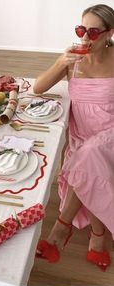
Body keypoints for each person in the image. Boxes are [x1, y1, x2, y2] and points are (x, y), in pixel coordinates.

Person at [33, 4, 114, 271]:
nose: (84, 38)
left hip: (111, 134)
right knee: (87, 159)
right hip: (82, 136)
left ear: (109, 33)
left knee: (88, 159)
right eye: (81, 30)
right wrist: (60, 62)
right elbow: (38, 88)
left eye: (92, 32)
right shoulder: (73, 60)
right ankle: (97, 237)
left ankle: (60, 228)